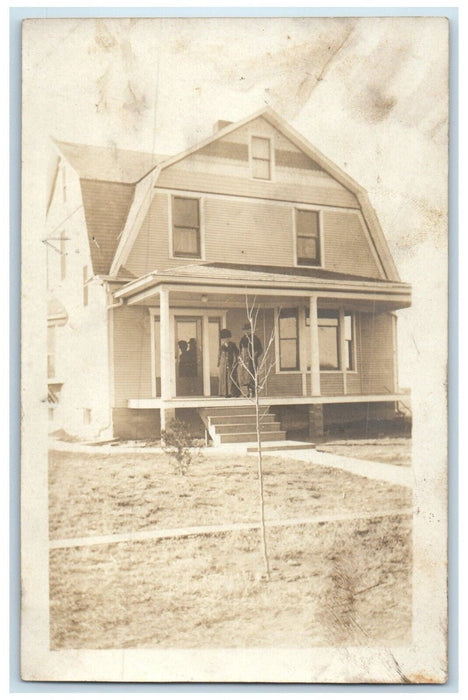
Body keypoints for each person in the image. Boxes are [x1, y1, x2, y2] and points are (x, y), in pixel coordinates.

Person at [238, 323, 263, 398]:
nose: (246, 332)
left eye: (248, 330)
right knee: (245, 377)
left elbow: (260, 350)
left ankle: (253, 393)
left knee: (252, 376)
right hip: (244, 361)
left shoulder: (254, 339)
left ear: (251, 330)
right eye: (245, 330)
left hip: (252, 361)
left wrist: (254, 356)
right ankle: (247, 392)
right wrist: (240, 357)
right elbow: (240, 350)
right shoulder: (242, 339)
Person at [217, 329, 239, 397]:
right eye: (223, 339)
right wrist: (218, 363)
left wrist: (235, 361)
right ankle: (223, 392)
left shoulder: (232, 345)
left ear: (229, 338)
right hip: (223, 364)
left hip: (230, 363)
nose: (225, 340)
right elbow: (219, 355)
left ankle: (230, 392)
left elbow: (237, 353)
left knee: (230, 377)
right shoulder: (221, 346)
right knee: (223, 377)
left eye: (227, 338)